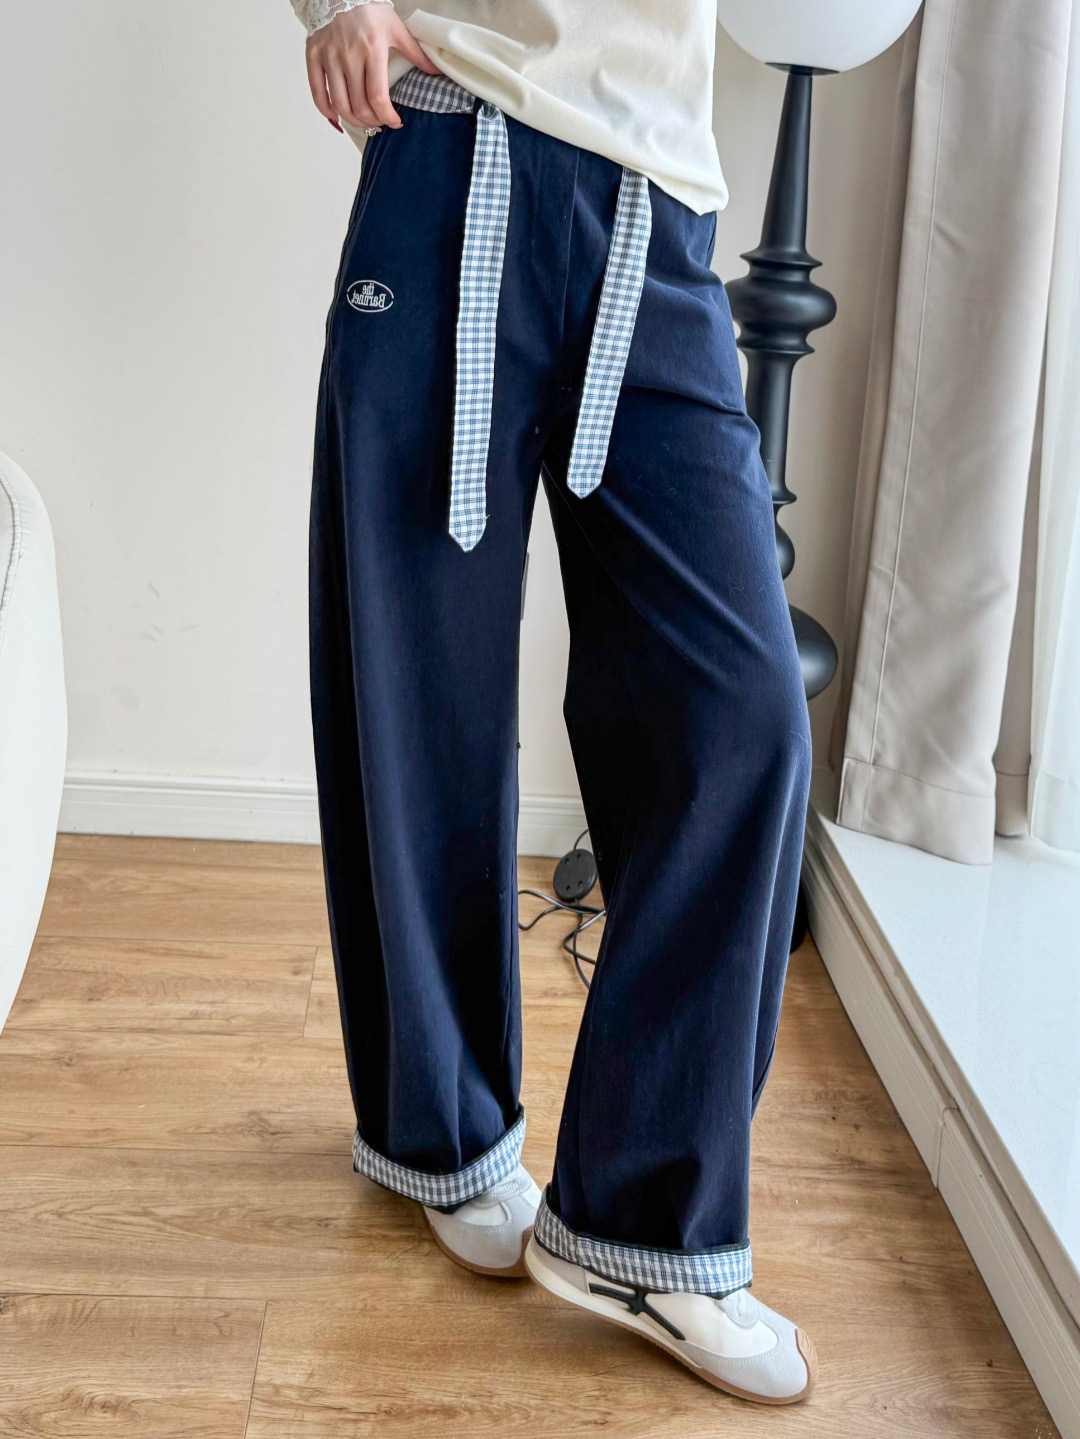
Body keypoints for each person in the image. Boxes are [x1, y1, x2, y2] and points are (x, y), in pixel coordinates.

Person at [293, 0, 817, 1406]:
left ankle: (647, 1224)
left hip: (659, 198)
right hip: (452, 137)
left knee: (741, 715)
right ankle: (442, 1130)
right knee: (423, 690)